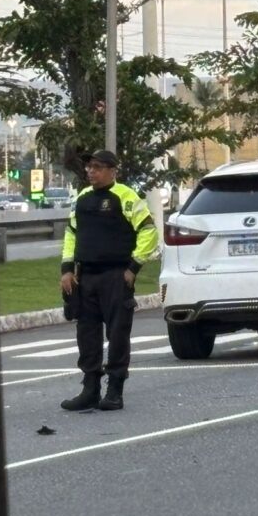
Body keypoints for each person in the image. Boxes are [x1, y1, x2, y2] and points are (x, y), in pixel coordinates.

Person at [59, 150, 159, 411]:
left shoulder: (126, 197)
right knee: (87, 334)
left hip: (116, 276)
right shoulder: (82, 198)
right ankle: (90, 388)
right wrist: (67, 269)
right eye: (89, 167)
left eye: (97, 167)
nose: (91, 171)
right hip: (86, 277)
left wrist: (133, 267)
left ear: (113, 170)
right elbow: (71, 234)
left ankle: (115, 389)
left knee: (117, 334)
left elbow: (148, 232)